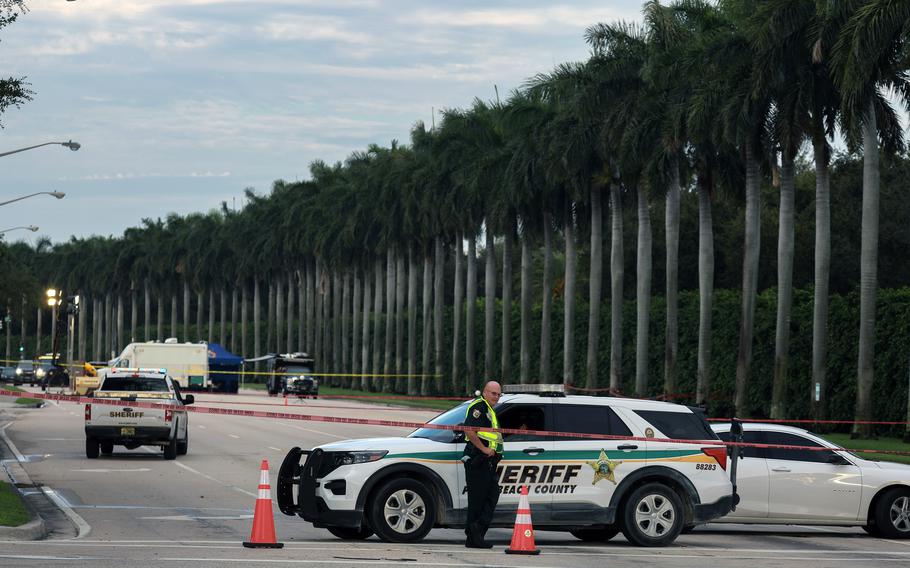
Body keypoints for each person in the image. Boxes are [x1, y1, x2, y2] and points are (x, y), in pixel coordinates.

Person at [461, 380, 503, 549]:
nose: (496, 397)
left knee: (489, 496)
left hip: (486, 461)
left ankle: (474, 535)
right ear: (485, 392)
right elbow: (469, 429)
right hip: (478, 458)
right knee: (479, 500)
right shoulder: (479, 407)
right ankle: (474, 536)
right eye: (493, 393)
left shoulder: (488, 409)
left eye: (499, 394)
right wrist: (484, 449)